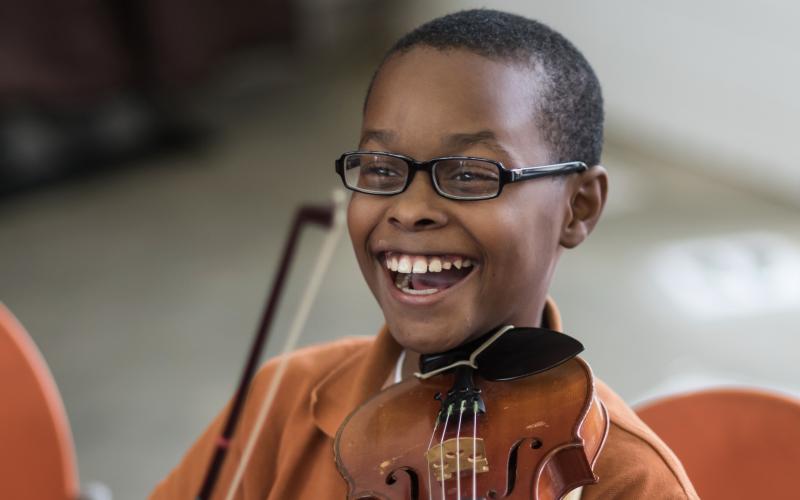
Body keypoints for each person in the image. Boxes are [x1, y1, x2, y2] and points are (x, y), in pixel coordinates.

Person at [151, 9, 698, 499]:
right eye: (382, 170)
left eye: (468, 174)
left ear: (578, 208)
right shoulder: (284, 399)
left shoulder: (631, 482)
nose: (410, 210)